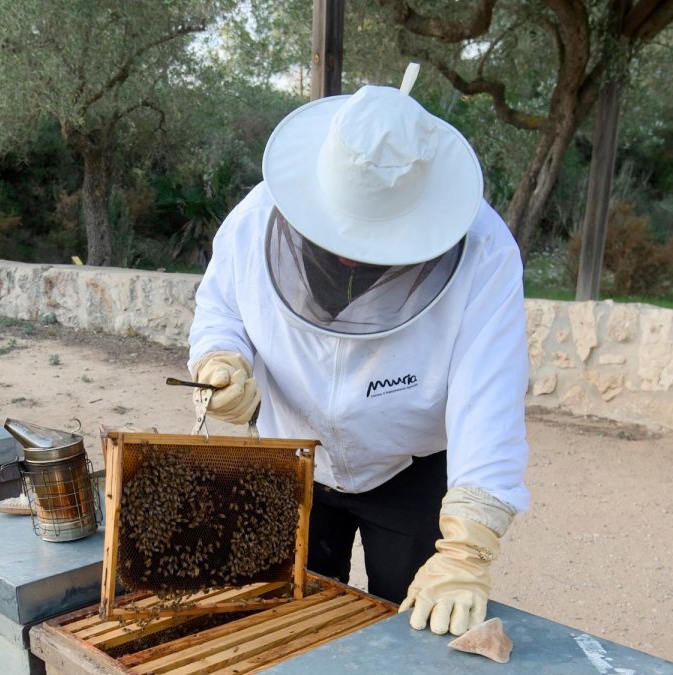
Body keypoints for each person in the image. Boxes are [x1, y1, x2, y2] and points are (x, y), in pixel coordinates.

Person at [187, 65, 530, 637]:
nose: (349, 256)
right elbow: (221, 304)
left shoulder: (485, 252)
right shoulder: (255, 217)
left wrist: (469, 547)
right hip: (292, 459)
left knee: (412, 634)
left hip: (411, 471)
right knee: (287, 628)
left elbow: (489, 396)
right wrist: (222, 359)